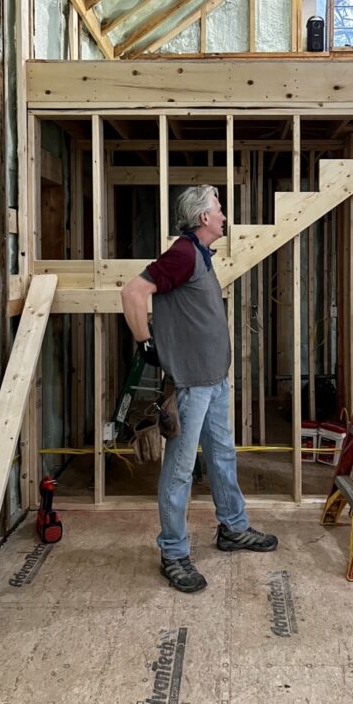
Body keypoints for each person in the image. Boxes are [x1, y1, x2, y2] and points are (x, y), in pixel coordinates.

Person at [121, 185, 278, 593]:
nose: (224, 215)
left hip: (214, 381)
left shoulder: (200, 255)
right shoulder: (183, 253)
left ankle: (233, 528)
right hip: (191, 385)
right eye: (219, 209)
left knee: (223, 455)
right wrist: (145, 341)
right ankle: (173, 551)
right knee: (179, 470)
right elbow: (133, 291)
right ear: (203, 218)